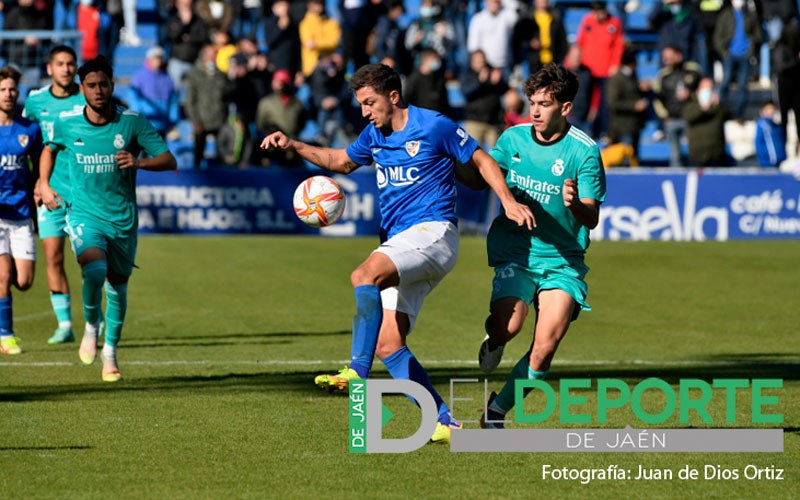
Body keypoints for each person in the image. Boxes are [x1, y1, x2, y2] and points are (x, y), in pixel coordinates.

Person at [259, 63, 534, 443]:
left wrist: (507, 202)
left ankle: (358, 369)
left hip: (432, 232)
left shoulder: (434, 125)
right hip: (402, 242)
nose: (364, 112)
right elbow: (340, 161)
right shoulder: (374, 134)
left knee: (363, 275)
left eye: (369, 102)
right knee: (389, 343)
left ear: (393, 96)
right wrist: (294, 145)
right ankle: (445, 421)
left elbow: (482, 160)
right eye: (360, 104)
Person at [477, 63, 606, 429]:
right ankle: (495, 339)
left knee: (545, 346)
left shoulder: (584, 152)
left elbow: (591, 218)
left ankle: (496, 411)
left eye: (543, 104)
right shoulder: (512, 139)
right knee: (509, 327)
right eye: (531, 102)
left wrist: (574, 204)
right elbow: (487, 174)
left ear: (565, 108)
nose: (534, 111)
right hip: (517, 249)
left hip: (562, 259)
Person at [38, 56, 177, 382]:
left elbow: (169, 160)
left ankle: (110, 352)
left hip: (123, 220)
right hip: (84, 213)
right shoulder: (67, 121)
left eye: (103, 84)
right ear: (82, 89)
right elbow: (49, 149)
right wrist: (43, 184)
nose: (98, 91)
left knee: (117, 287)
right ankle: (90, 326)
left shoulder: (133, 122)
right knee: (94, 269)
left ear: (112, 86)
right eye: (91, 85)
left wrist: (139, 163)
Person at [23, 46, 85, 345]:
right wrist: (37, 180)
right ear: (50, 68)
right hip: (50, 192)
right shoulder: (35, 101)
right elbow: (27, 142)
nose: (65, 69)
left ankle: (94, 322)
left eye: (70, 64)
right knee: (53, 256)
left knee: (89, 261)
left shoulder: (87, 97)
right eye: (60, 64)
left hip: (84, 194)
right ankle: (65, 325)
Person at [0, 66, 41, 356]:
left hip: (22, 214)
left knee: (24, 281)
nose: (8, 94)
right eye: (2, 89)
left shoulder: (29, 129)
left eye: (12, 89)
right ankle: (6, 335)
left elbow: (41, 165)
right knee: (3, 276)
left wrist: (42, 184)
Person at [652, 45, 703, 167]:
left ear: (678, 55)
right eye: (664, 56)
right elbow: (656, 99)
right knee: (675, 153)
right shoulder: (663, 75)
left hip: (692, 118)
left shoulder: (694, 70)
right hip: (672, 118)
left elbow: (704, 88)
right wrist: (665, 116)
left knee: (695, 149)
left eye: (669, 55)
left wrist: (691, 93)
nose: (666, 59)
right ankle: (677, 174)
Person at [713, 0, 761, 118]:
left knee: (743, 85)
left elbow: (758, 35)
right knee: (725, 82)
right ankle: (720, 111)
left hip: (745, 55)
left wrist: (751, 48)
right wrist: (724, 52)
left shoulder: (751, 15)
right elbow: (718, 36)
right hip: (730, 55)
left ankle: (738, 114)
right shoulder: (725, 15)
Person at [128, 45, 180, 140]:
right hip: (145, 122)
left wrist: (173, 118)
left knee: (160, 152)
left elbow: (173, 99)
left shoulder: (167, 78)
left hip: (162, 123)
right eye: (155, 58)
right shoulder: (139, 77)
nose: (158, 61)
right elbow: (133, 98)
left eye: (160, 58)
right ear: (149, 60)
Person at [682, 77, 733, 167]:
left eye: (710, 89)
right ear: (698, 91)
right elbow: (688, 117)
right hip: (697, 155)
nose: (707, 92)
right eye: (704, 89)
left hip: (716, 154)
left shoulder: (719, 108)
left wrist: (718, 104)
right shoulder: (691, 105)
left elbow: (730, 115)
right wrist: (703, 108)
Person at [754, 100, 787, 168]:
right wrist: (765, 158)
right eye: (769, 109)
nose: (771, 111)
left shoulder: (777, 127)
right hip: (767, 163)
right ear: (763, 110)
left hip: (779, 163)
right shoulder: (762, 125)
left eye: (773, 109)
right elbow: (758, 143)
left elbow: (782, 141)